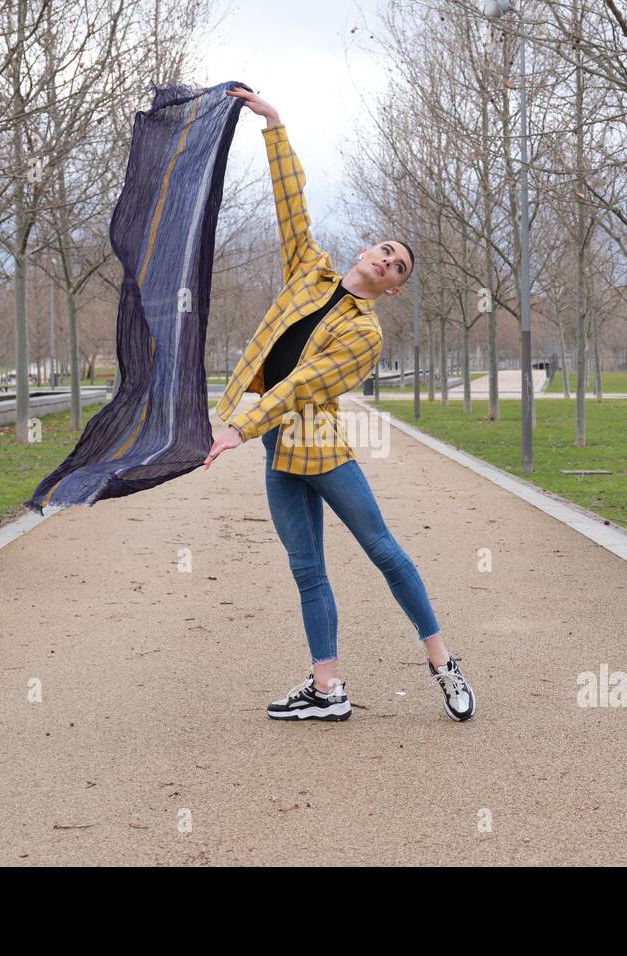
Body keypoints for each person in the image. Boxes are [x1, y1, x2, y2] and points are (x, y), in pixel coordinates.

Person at [203, 87, 475, 724]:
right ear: (364, 252)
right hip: (275, 442)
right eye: (386, 250)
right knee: (306, 568)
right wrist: (274, 123)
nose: (389, 261)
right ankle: (328, 690)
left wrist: (239, 427)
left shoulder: (366, 334)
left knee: (382, 548)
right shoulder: (309, 272)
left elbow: (301, 386)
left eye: (399, 267)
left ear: (394, 287)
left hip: (316, 446)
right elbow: (290, 205)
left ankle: (443, 663)